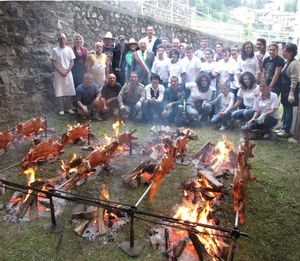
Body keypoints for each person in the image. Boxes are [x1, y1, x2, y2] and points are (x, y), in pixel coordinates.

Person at [277, 43, 300, 138]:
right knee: (286, 109)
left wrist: (291, 93)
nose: (283, 52)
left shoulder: (294, 64)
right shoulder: (287, 62)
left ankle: (287, 131)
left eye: (285, 51)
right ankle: (284, 127)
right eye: (283, 50)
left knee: (288, 109)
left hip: (291, 90)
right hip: (285, 90)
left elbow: (295, 79)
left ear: (291, 53)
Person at [50, 33, 76, 115]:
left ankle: (68, 108)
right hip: (58, 74)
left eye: (63, 38)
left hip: (68, 73)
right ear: (58, 40)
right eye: (60, 39)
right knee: (59, 91)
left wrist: (67, 71)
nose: (62, 40)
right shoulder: (55, 50)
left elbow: (72, 62)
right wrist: (60, 71)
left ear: (66, 39)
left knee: (69, 91)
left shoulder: (69, 50)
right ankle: (61, 109)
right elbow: (53, 62)